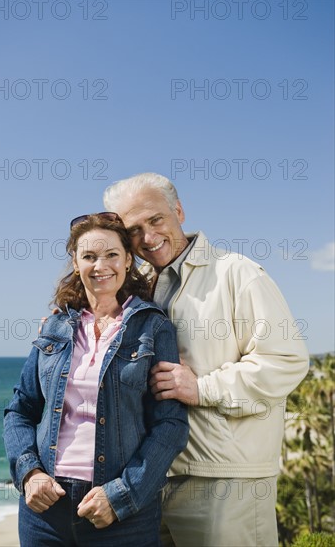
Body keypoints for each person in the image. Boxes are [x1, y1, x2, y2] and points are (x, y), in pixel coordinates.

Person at [103, 173, 310, 547]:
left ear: (179, 211)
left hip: (225, 484)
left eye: (156, 220)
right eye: (133, 230)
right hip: (151, 481)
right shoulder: (135, 290)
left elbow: (286, 360)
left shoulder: (238, 273)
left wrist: (202, 388)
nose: (148, 238)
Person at [3, 212, 189, 547]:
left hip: (123, 517)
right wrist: (29, 473)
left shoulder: (154, 327)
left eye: (111, 255)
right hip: (45, 512)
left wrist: (123, 495)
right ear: (75, 262)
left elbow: (171, 424)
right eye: (89, 256)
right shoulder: (55, 327)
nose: (100, 265)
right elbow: (20, 410)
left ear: (128, 260)